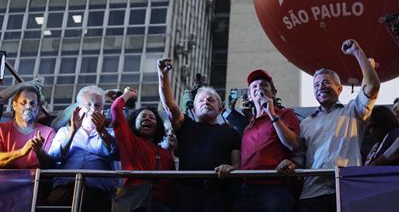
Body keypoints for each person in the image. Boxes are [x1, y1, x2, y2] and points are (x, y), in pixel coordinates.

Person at [294, 39, 380, 212]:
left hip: (346, 189)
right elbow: (298, 155)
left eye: (326, 82)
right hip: (312, 194)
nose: (321, 88)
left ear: (340, 89)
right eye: (316, 85)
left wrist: (357, 51)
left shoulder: (352, 112)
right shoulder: (305, 123)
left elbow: (372, 86)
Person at [157, 58, 241, 212]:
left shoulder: (231, 133)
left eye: (211, 100)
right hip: (185, 196)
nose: (206, 102)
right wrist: (163, 76)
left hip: (218, 197)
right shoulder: (186, 125)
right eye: (201, 100)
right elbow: (170, 105)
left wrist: (230, 168)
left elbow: (238, 165)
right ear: (194, 110)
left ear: (220, 109)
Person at [234, 69, 301, 212]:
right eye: (254, 87)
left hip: (274, 187)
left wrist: (271, 114)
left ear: (273, 92)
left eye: (264, 85)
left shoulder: (285, 114)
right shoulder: (248, 127)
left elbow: (294, 144)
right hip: (247, 190)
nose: (259, 88)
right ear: (250, 97)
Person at [47, 86, 117, 212]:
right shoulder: (65, 131)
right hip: (65, 188)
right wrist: (73, 131)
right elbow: (53, 156)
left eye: (97, 105)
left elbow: (116, 153)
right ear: (78, 108)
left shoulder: (111, 133)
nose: (93, 109)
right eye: (88, 105)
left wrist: (102, 132)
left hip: (97, 192)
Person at [110, 87, 175, 211]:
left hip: (162, 206)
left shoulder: (165, 154)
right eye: (143, 116)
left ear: (157, 126)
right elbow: (115, 109)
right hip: (135, 205)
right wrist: (127, 94)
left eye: (152, 118)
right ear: (134, 123)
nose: (147, 119)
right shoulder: (129, 141)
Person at [0, 84, 56, 169]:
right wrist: (21, 152)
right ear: (14, 106)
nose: (28, 107)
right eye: (23, 103)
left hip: (36, 181)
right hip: (4, 181)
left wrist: (39, 152)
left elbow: (51, 166)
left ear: (38, 109)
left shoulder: (48, 132)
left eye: (32, 103)